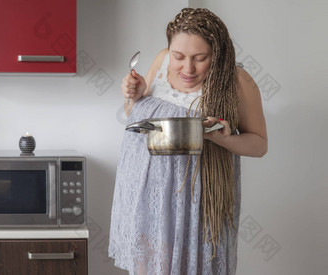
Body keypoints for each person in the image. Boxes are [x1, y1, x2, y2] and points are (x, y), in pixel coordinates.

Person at [109, 7, 267, 275]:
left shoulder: (237, 81)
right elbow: (137, 117)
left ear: (217, 53)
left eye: (200, 58)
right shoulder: (161, 61)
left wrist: (223, 139)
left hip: (194, 205)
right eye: (178, 56)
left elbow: (260, 144)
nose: (187, 68)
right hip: (145, 197)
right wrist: (133, 98)